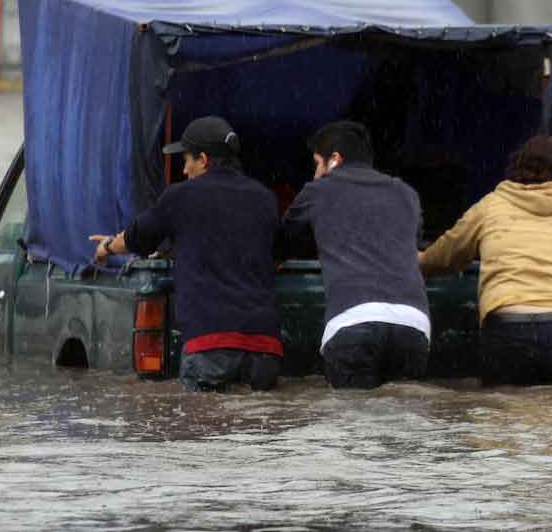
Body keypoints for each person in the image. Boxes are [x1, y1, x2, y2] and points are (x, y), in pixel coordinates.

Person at [92, 116, 283, 393]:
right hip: (265, 347)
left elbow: (138, 237)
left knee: (201, 418)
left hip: (210, 344)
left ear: (203, 160)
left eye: (186, 160)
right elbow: (276, 249)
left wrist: (107, 246)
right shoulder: (264, 198)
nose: (183, 170)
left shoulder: (181, 196)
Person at [418, 136, 552, 387]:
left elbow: (444, 256)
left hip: (509, 332)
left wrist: (413, 261)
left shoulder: (491, 206)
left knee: (503, 409)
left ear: (517, 167)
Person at [281, 121, 431, 389]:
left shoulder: (319, 190)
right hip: (414, 325)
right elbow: (414, 247)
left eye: (317, 164)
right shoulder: (406, 193)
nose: (316, 173)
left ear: (334, 159)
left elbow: (283, 243)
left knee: (352, 414)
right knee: (406, 413)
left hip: (353, 323)